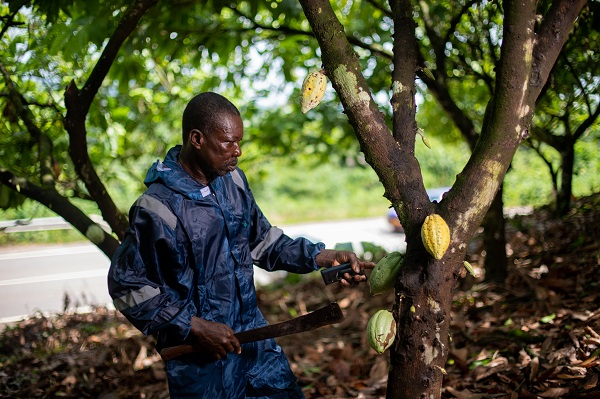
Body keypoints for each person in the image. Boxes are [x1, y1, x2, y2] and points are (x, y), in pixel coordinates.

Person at [107, 92, 375, 399]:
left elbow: (262, 241)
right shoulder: (157, 209)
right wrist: (194, 326)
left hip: (253, 339)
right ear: (197, 138)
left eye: (240, 141)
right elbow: (127, 285)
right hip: (200, 360)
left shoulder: (233, 181)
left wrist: (321, 256)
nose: (239, 151)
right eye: (228, 143)